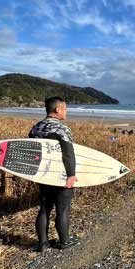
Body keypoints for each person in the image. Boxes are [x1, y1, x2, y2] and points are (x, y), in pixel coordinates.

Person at [29, 96, 79, 252]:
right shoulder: (61, 129)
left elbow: (32, 151)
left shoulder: (36, 128)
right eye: (65, 109)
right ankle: (64, 241)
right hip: (60, 175)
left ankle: (43, 243)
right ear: (58, 110)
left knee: (44, 208)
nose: (66, 112)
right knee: (63, 209)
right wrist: (71, 175)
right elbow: (68, 154)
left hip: (43, 174)